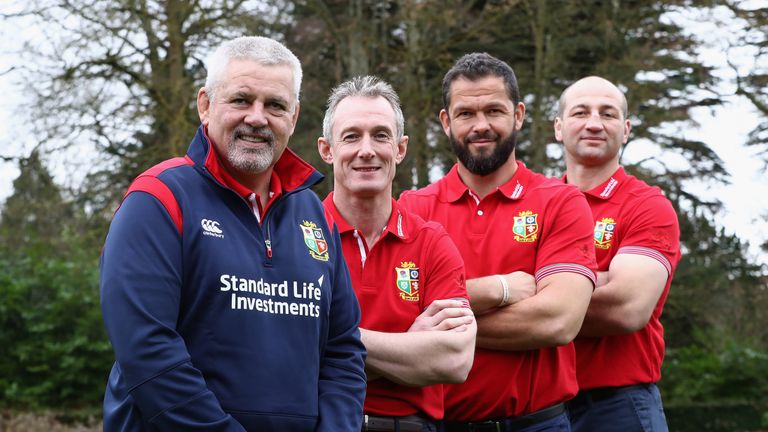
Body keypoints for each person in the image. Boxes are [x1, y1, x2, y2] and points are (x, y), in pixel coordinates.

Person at [99, 36, 366, 431]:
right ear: (205, 105)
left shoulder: (315, 214)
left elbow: (343, 350)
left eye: (275, 105)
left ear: (293, 118)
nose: (257, 118)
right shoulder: (158, 199)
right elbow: (148, 352)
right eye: (241, 100)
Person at [399, 52, 598, 431]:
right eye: (465, 114)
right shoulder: (412, 208)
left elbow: (557, 320)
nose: (481, 125)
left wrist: (435, 323)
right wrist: (499, 289)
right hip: (437, 425)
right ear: (446, 121)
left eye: (494, 111)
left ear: (518, 115)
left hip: (537, 423)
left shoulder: (561, 202)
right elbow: (394, 315)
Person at [317, 75, 476, 432]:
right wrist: (409, 345)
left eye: (380, 135)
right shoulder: (295, 235)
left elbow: (454, 360)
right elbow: (287, 354)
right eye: (352, 136)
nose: (367, 149)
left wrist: (330, 340)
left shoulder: (432, 242)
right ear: (327, 150)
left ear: (400, 148)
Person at [554, 76, 681, 432]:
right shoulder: (537, 207)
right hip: (540, 410)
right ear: (559, 128)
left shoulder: (647, 206)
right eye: (581, 112)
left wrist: (535, 287)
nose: (594, 123)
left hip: (618, 406)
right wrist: (600, 277)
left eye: (607, 114)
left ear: (625, 130)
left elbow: (626, 307)